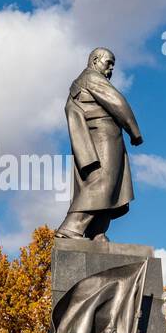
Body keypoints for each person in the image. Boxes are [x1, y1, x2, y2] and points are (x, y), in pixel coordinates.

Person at [55, 48, 144, 242]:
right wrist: (134, 131)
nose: (111, 68)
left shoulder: (82, 81)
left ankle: (97, 231)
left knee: (109, 185)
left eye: (113, 65)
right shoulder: (91, 77)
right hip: (103, 138)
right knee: (104, 181)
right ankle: (71, 227)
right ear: (95, 60)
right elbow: (117, 102)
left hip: (98, 138)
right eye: (108, 63)